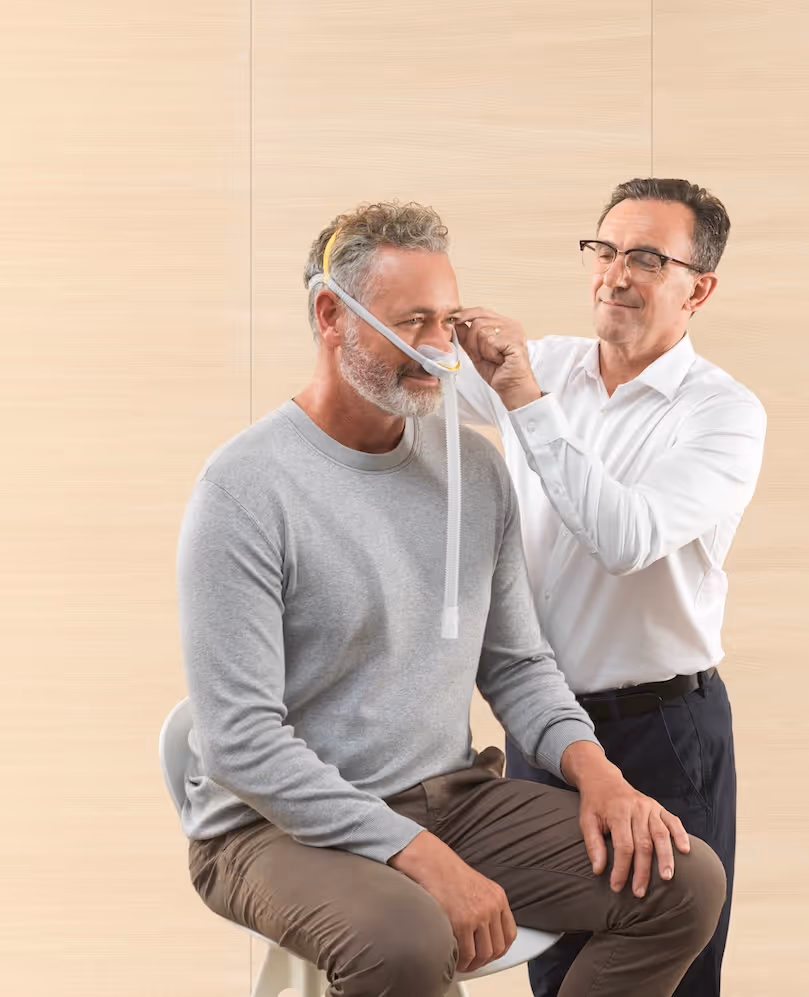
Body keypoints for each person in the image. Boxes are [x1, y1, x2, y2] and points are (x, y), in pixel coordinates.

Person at [175, 200, 726, 997]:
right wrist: (417, 853)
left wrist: (597, 771)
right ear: (332, 315)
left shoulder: (474, 467)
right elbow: (240, 742)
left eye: (448, 321)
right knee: (404, 940)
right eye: (413, 323)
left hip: (448, 798)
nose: (439, 350)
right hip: (271, 824)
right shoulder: (244, 489)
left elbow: (518, 663)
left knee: (682, 880)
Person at [452, 178, 767, 997]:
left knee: (672, 971)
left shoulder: (723, 414)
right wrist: (415, 312)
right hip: (546, 729)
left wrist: (523, 396)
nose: (615, 274)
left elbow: (625, 537)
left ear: (698, 287)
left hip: (663, 731)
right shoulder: (548, 363)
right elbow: (409, 377)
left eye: (646, 258)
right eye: (604, 249)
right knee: (556, 974)